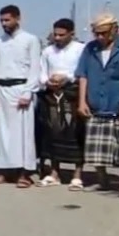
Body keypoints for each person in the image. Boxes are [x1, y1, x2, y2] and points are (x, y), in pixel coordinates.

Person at [76, 14, 119, 196]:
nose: (100, 37)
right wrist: (82, 101)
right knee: (96, 146)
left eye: (104, 33)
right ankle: (102, 180)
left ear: (114, 29)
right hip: (97, 102)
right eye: (97, 33)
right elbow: (83, 75)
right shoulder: (90, 48)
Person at [0, 5, 43, 188]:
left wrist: (28, 92)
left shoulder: (30, 40)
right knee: (1, 134)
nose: (4, 24)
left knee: (23, 134)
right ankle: (1, 171)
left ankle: (24, 174)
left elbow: (35, 68)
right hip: (1, 89)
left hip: (21, 90)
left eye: (7, 20)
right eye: (2, 20)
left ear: (18, 19)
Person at [36, 18, 87, 190]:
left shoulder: (81, 49)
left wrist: (67, 78)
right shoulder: (48, 51)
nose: (57, 38)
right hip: (51, 95)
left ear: (72, 34)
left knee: (75, 135)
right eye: (55, 34)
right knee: (52, 133)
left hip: (73, 94)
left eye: (61, 35)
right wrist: (48, 81)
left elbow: (83, 72)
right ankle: (54, 173)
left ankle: (77, 175)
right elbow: (41, 72)